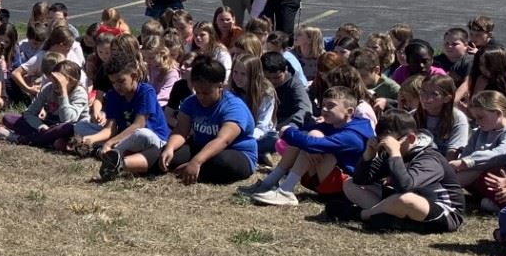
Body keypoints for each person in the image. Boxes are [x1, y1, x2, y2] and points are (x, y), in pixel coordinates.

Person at [122, 56, 258, 186]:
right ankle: (121, 164)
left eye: (206, 93)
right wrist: (170, 147)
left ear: (220, 86)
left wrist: (197, 161)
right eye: (197, 92)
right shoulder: (190, 103)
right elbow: (181, 131)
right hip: (199, 146)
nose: (200, 97)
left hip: (236, 152)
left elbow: (223, 140)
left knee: (223, 163)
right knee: (165, 155)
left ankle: (192, 169)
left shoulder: (234, 106)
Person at [243, 88, 374, 207]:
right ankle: (268, 183)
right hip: (324, 180)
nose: (324, 110)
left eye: (331, 106)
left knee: (312, 140)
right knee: (305, 138)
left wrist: (288, 131)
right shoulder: (334, 122)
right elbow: (304, 132)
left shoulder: (353, 135)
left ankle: (286, 191)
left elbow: (313, 143)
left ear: (349, 112)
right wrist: (294, 134)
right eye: (323, 105)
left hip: (345, 188)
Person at [342, 109, 467, 233]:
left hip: (443, 212)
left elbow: (404, 187)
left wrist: (395, 153)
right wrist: (368, 156)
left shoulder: (429, 158)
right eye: (381, 141)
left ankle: (362, 215)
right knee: (350, 184)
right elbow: (360, 180)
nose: (385, 146)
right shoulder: (391, 151)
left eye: (389, 142)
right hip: (402, 200)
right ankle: (388, 217)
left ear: (411, 139)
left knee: (405, 199)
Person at [79, 51, 171, 182]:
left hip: (152, 139)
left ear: (134, 76)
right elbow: (110, 128)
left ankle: (109, 154)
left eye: (121, 81)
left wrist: (110, 143)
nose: (117, 86)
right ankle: (105, 151)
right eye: (113, 82)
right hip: (124, 139)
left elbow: (139, 125)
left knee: (142, 134)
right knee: (81, 126)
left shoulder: (146, 91)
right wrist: (91, 139)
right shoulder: (112, 95)